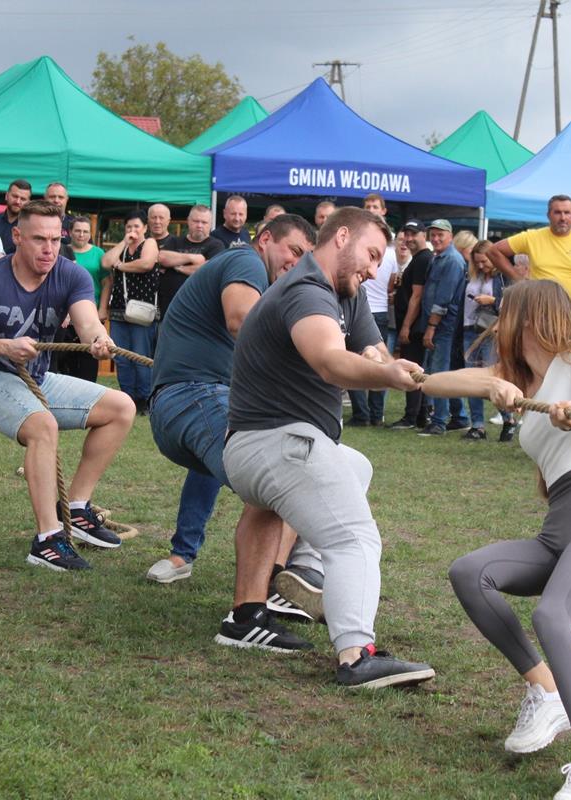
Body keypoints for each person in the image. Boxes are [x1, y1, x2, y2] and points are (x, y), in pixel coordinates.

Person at [423, 279, 571, 799]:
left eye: (506, 313)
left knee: (551, 615)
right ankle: (545, 690)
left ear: (531, 317)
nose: (498, 324)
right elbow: (449, 382)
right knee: (469, 572)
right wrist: (413, 376)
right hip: (559, 524)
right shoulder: (520, 378)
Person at [221, 206, 435, 688]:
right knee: (355, 539)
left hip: (267, 446)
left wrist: (386, 362)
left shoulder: (344, 294)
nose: (375, 270)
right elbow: (328, 361)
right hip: (274, 442)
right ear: (341, 237)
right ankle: (356, 655)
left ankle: (303, 572)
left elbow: (374, 351)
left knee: (354, 466)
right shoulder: (306, 289)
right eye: (371, 255)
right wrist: (387, 374)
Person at [0, 199, 134, 570]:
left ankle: (75, 509)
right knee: (42, 426)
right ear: (17, 237)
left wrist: (98, 339)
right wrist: (3, 346)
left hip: (37, 378)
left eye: (55, 239)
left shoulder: (72, 275)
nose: (49, 249)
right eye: (39, 240)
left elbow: (87, 322)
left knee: (121, 408)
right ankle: (47, 540)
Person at [146, 214, 316, 584]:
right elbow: (241, 319)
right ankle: (283, 579)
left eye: (305, 258)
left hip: (191, 399)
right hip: (191, 394)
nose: (297, 262)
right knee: (277, 479)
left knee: (215, 457)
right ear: (265, 239)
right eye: (293, 250)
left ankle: (182, 555)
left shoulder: (261, 281)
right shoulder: (247, 261)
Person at [486, 194, 571, 317]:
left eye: (567, 212)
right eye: (557, 212)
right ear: (548, 215)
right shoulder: (532, 237)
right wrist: (517, 279)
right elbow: (493, 251)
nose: (563, 217)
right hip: (538, 314)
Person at [99, 210, 159, 413]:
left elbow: (146, 264)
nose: (133, 230)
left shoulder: (149, 243)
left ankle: (145, 399)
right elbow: (106, 262)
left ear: (145, 228)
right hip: (119, 310)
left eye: (136, 227)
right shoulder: (123, 247)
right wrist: (124, 242)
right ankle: (128, 398)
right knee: (121, 358)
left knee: (140, 357)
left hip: (142, 311)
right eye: (129, 227)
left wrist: (121, 266)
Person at [348, 194, 399, 426]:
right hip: (359, 308)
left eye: (375, 206)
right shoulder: (357, 242)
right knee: (354, 360)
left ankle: (375, 414)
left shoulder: (390, 250)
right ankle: (362, 413)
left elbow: (391, 283)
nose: (371, 209)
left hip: (378, 311)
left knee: (379, 361)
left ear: (383, 210)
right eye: (367, 206)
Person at [418, 219, 469, 436]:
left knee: (438, 373)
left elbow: (444, 300)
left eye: (441, 235)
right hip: (440, 324)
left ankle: (439, 421)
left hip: (444, 325)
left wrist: (431, 326)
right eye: (433, 235)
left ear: (450, 236)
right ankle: (459, 417)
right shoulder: (439, 257)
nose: (436, 239)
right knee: (444, 370)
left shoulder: (452, 260)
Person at [462, 240, 509, 441]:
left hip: (491, 331)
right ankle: (477, 426)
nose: (481, 266)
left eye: (485, 261)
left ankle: (508, 419)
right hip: (469, 328)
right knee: (472, 379)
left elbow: (511, 305)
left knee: (491, 379)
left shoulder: (503, 278)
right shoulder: (472, 276)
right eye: (477, 262)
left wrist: (493, 301)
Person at [51, 217, 107, 383]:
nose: (81, 234)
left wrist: (102, 309)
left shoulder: (98, 253)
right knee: (61, 361)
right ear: (70, 232)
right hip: (63, 317)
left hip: (89, 311)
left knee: (87, 361)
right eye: (77, 230)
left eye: (85, 231)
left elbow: (107, 282)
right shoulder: (62, 250)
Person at [389, 220, 433, 430]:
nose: (409, 238)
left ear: (424, 235)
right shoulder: (419, 259)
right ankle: (421, 415)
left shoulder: (423, 259)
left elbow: (417, 296)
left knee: (413, 369)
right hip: (414, 325)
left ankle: (411, 417)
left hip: (415, 327)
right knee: (418, 369)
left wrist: (406, 326)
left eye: (413, 234)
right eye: (406, 234)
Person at [155, 204, 224, 315]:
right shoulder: (174, 241)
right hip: (169, 308)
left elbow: (208, 270)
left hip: (199, 310)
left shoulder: (216, 245)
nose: (199, 225)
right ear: (188, 221)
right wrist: (192, 257)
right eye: (196, 221)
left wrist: (178, 267)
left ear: (210, 224)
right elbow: (162, 257)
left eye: (204, 222)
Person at [0, 179, 32, 255]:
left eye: (23, 199)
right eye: (15, 196)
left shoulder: (31, 225)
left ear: (28, 202)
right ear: (6, 196)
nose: (18, 201)